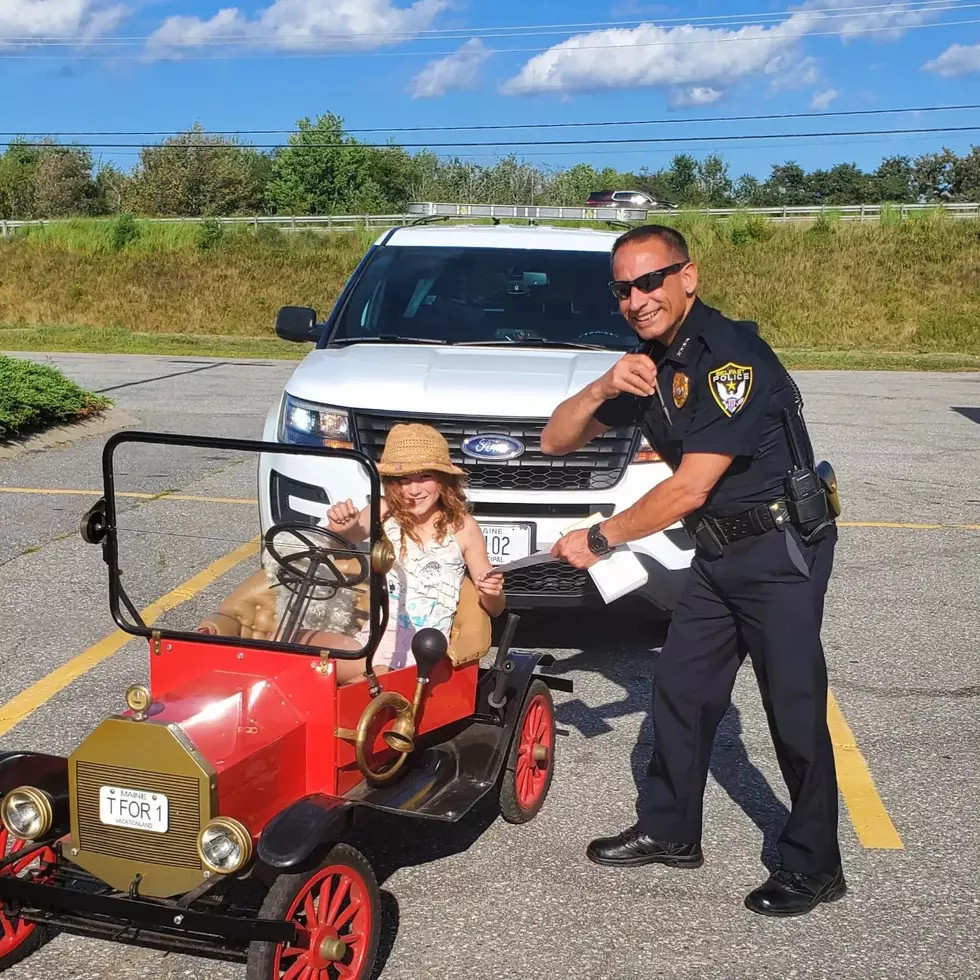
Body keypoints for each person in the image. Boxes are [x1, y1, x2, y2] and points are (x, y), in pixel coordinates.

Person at [540, 224, 844, 917]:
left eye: (651, 281)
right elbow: (556, 439)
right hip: (717, 552)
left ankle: (815, 864)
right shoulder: (650, 363)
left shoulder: (730, 358)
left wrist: (601, 536)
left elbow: (689, 487)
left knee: (793, 708)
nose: (637, 298)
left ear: (687, 276)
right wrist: (599, 386)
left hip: (778, 552)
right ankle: (672, 831)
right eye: (624, 289)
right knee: (679, 688)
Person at [323, 423, 505, 683]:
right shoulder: (383, 510)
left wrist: (492, 592)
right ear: (390, 482)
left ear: (443, 480)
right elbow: (339, 542)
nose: (414, 490)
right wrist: (342, 525)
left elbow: (495, 608)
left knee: (372, 679)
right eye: (404, 480)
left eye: (424, 478)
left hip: (425, 650)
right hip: (373, 640)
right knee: (300, 651)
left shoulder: (463, 527)